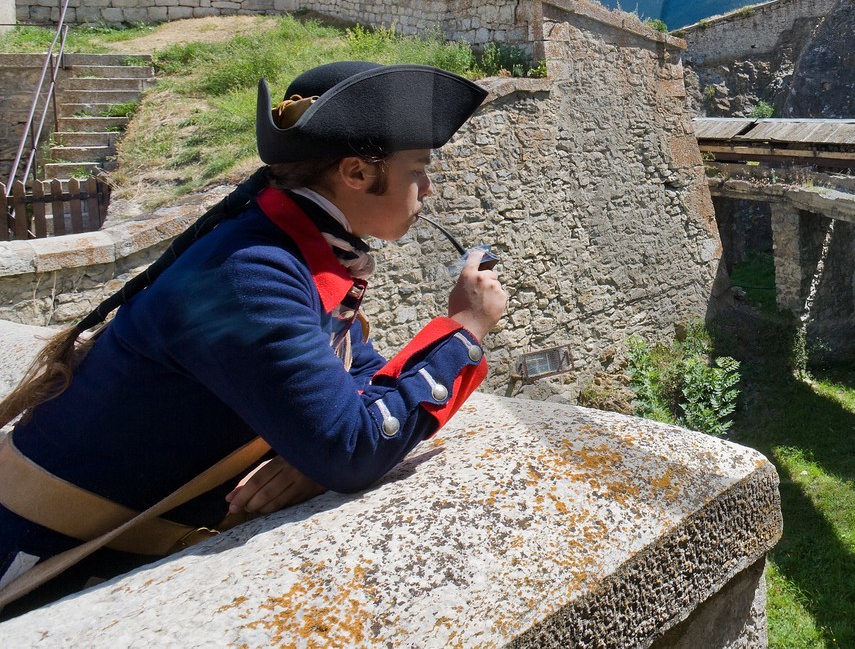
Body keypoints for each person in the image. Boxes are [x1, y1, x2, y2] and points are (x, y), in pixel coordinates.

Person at [0, 60, 508, 612]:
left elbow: (356, 380)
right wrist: (464, 329)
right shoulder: (254, 272)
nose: (427, 190)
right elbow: (353, 447)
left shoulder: (286, 246)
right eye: (418, 170)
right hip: (43, 560)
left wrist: (311, 450)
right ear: (357, 173)